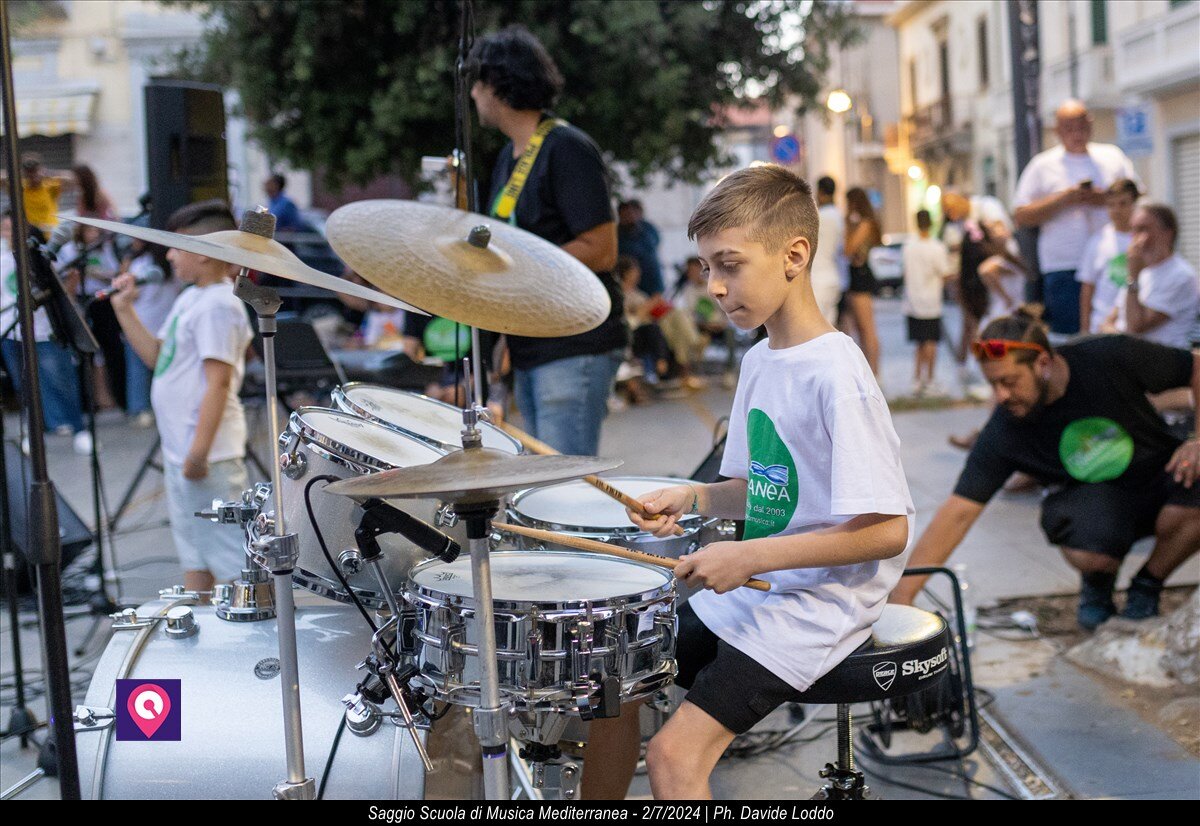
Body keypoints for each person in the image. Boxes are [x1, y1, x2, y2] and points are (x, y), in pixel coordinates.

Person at [585, 165, 913, 800]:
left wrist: (749, 555)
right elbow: (757, 487)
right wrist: (695, 496)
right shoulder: (761, 360)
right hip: (764, 584)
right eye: (706, 268)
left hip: (820, 602)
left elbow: (888, 531)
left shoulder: (836, 374)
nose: (713, 286)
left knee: (674, 759)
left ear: (794, 256)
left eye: (728, 265)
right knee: (614, 681)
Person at [890, 307, 1199, 630]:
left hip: (1164, 475)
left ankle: (1147, 584)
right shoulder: (1006, 430)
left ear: (1043, 364)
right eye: (993, 384)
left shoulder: (1108, 355)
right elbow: (958, 512)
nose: (1000, 396)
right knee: (1081, 533)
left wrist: (1198, 439)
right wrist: (902, 597)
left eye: (1009, 382)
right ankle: (1098, 584)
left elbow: (1196, 366)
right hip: (1100, 501)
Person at [469, 25, 626, 456]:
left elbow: (602, 248)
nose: (473, 96)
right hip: (532, 344)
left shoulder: (566, 148)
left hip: (574, 342)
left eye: (476, 84)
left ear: (494, 85)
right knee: (543, 486)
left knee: (565, 488)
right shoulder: (507, 157)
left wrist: (522, 263)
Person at [108, 200, 254, 594]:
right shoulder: (191, 299)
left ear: (206, 253)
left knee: (231, 562)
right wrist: (124, 312)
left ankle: (242, 647)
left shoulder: (220, 305)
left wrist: (198, 452)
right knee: (195, 554)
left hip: (208, 455)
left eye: (176, 245)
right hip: (182, 451)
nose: (168, 254)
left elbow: (218, 382)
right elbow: (160, 358)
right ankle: (200, 631)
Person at [1013, 100, 1137, 336]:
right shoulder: (1042, 165)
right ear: (1057, 131)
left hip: (1111, 259)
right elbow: (1021, 214)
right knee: (1071, 337)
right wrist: (1064, 199)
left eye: (1081, 127)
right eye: (1069, 128)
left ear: (1090, 125)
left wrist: (1102, 198)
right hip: (1064, 265)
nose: (1076, 134)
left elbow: (1136, 195)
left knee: (1115, 332)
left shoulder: (1112, 156)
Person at [0, 210, 89, 452]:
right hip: (11, 332)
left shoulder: (40, 258)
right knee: (24, 385)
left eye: (15, 229)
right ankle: (34, 432)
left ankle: (79, 428)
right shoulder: (2, 260)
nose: (11, 235)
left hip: (44, 330)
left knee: (61, 380)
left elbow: (61, 294)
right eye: (7, 229)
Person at [1102, 203, 1199, 350]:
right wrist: (1118, 338)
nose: (1135, 239)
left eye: (1143, 229)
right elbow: (1108, 321)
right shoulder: (1143, 271)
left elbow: (1135, 327)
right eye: (1133, 231)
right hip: (1128, 359)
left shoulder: (1181, 276)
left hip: (1163, 364)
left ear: (1167, 233)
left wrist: (1133, 277)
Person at [119, 239, 179, 426]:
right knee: (164, 368)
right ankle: (161, 408)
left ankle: (140, 409)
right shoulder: (171, 265)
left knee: (138, 370)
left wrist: (124, 272)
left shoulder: (141, 264)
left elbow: (132, 293)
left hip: (141, 323)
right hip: (165, 324)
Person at [902, 209, 953, 396]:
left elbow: (905, 272)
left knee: (919, 343)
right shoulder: (937, 247)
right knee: (931, 343)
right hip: (931, 302)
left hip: (912, 301)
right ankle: (930, 380)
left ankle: (916, 380)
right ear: (931, 223)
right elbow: (945, 273)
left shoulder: (908, 247)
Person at [1076, 179, 1138, 335]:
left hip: (1135, 324)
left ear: (1134, 204)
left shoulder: (1143, 239)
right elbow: (1087, 288)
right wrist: (1085, 329)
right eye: (1111, 205)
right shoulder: (1097, 241)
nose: (1117, 210)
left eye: (1123, 203)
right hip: (1101, 326)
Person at [842, 186, 882, 374]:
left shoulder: (865, 224)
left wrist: (848, 225)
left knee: (867, 329)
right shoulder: (862, 223)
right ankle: (869, 372)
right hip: (855, 276)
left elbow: (848, 249)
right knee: (858, 330)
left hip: (861, 276)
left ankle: (874, 373)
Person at [0, 154, 74, 234]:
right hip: (30, 235)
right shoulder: (20, 188)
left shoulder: (49, 186)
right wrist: (16, 174)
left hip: (50, 233)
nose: (33, 176)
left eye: (35, 171)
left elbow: (72, 178)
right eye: (29, 173)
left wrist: (48, 173)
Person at [811, 176, 844, 325]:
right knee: (829, 329)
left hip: (818, 278)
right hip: (835, 277)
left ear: (821, 192)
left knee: (815, 329)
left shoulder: (818, 218)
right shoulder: (839, 216)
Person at [617, 199, 665, 297]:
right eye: (626, 213)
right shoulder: (617, 235)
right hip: (633, 285)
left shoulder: (648, 228)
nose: (630, 216)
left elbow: (657, 242)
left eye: (632, 212)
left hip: (654, 280)